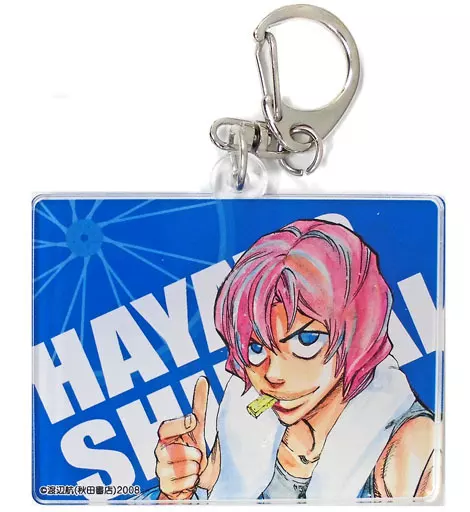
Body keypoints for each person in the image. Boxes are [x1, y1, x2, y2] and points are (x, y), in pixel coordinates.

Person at [138, 219, 435, 502]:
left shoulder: (411, 448)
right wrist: (178, 497)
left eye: (306, 340)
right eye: (256, 348)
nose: (273, 374)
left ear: (359, 329)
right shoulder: (244, 421)